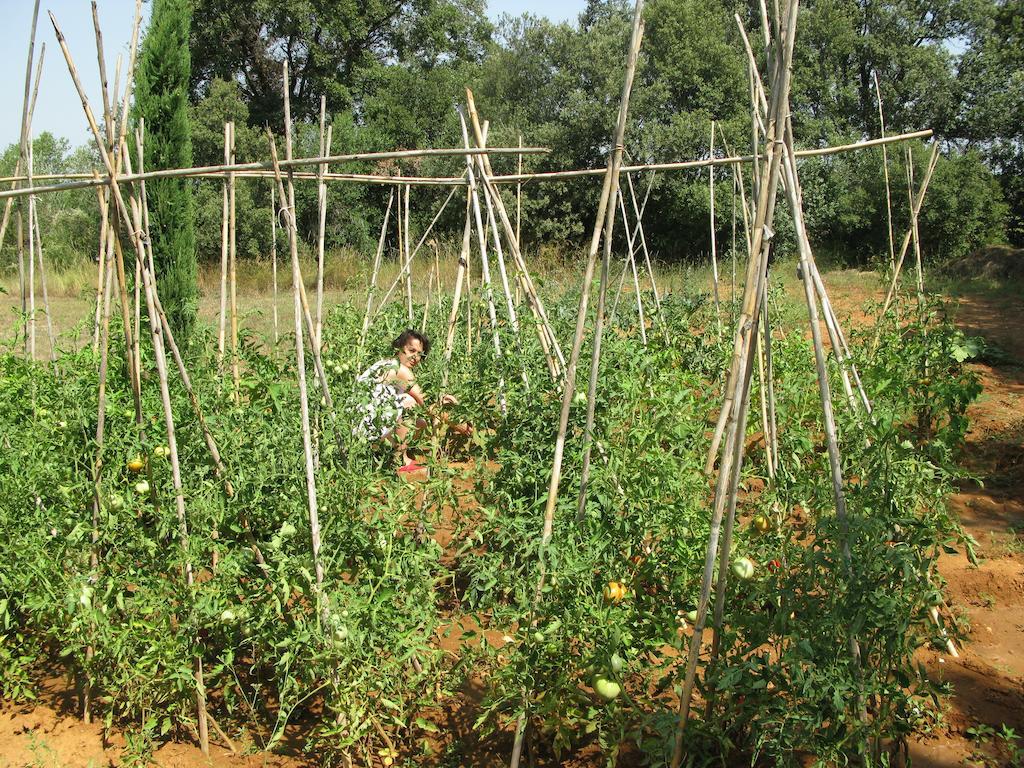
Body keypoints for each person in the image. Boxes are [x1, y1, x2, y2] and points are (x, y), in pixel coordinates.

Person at [353, 329, 458, 473]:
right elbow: (426, 405)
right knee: (409, 404)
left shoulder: (388, 365)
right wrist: (458, 424)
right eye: (411, 350)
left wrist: (442, 400)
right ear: (399, 348)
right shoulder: (400, 370)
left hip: (363, 428)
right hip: (365, 430)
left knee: (420, 422)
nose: (415, 357)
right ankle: (400, 461)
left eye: (419, 354)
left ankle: (384, 453)